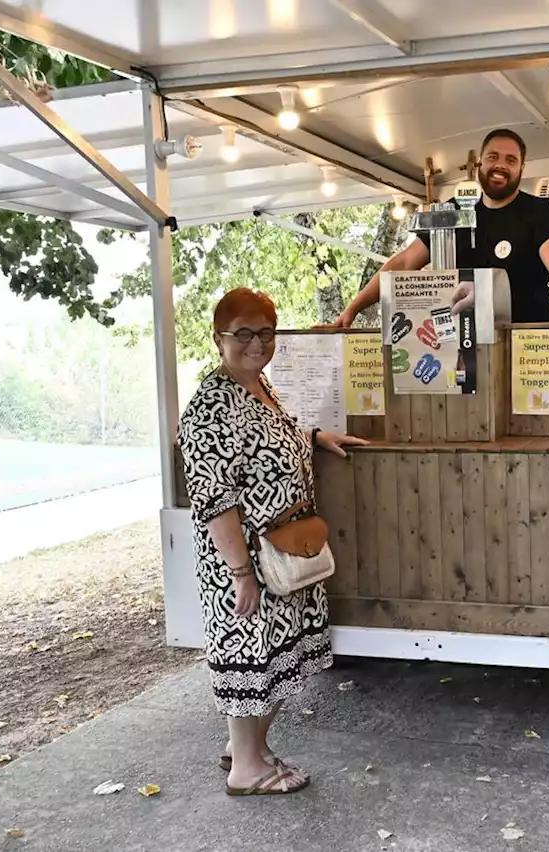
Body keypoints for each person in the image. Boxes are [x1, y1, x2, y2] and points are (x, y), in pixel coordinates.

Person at [177, 287, 368, 797]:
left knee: (277, 658)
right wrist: (241, 574)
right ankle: (247, 768)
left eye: (265, 332)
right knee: (251, 657)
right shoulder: (210, 405)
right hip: (245, 560)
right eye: (243, 333)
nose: (257, 343)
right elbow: (214, 499)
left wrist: (314, 438)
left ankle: (246, 748)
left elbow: (270, 439)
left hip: (281, 551)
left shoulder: (258, 386)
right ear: (218, 338)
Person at [328, 128, 549, 330]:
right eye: (493, 157)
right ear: (481, 161)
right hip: (461, 345)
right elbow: (404, 261)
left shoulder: (540, 211)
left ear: (521, 168)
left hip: (526, 346)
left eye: (510, 160)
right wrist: (351, 310)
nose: (500, 166)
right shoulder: (453, 212)